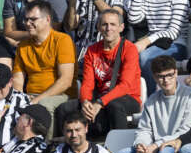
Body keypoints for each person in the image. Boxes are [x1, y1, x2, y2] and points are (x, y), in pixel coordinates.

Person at [59, 10, 141, 139]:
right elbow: (87, 83)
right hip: (100, 98)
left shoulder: (129, 49)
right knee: (64, 108)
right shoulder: (92, 50)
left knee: (114, 106)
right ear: (98, 27)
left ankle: (119, 147)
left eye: (113, 24)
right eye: (104, 24)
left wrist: (100, 103)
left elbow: (125, 86)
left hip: (127, 98)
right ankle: (63, 147)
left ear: (121, 27)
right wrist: (86, 102)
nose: (108, 28)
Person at [11, 0, 76, 138]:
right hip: (31, 95)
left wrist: (37, 99)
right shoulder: (23, 46)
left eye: (33, 19)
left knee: (44, 105)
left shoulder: (62, 40)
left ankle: (45, 147)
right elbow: (17, 79)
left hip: (61, 95)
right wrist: (19, 98)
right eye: (26, 19)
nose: (28, 23)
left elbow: (65, 81)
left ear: (47, 19)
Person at [128, 0, 191, 95]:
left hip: (175, 45)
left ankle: (151, 97)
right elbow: (133, 19)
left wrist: (146, 41)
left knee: (145, 57)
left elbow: (173, 32)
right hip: (153, 45)